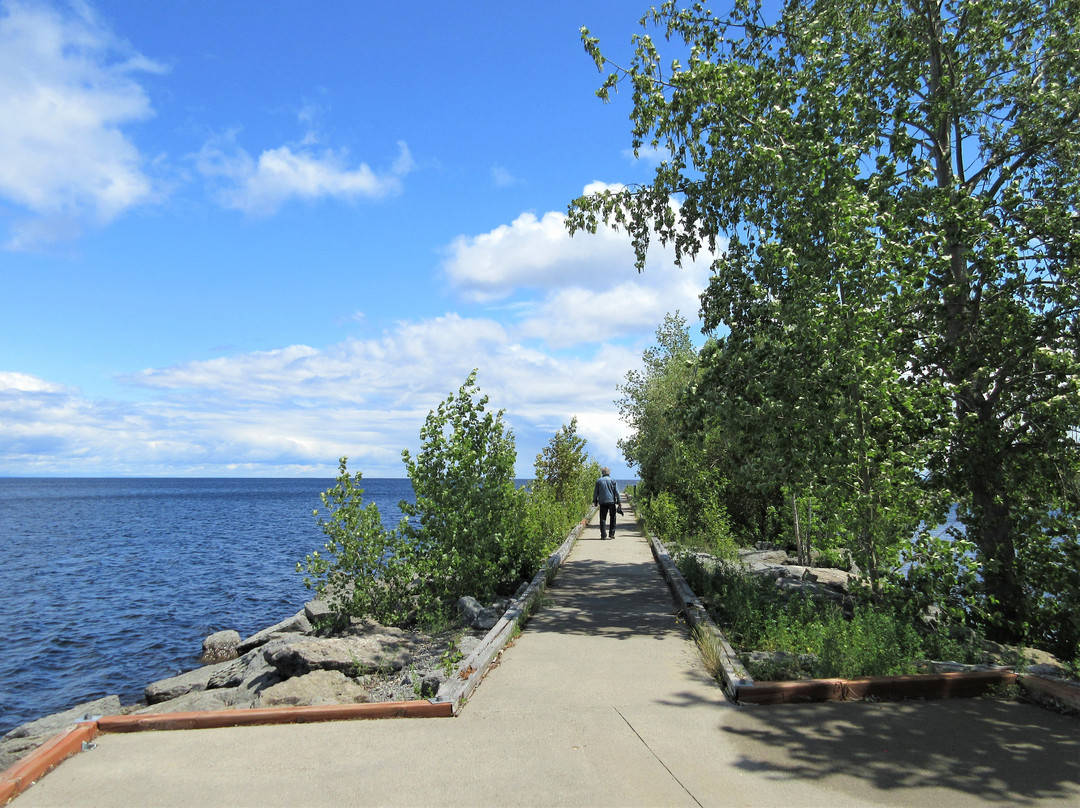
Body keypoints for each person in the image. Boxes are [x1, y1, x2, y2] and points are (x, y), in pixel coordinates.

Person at [593, 467, 619, 539]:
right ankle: (612, 534)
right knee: (613, 517)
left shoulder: (599, 481)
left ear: (602, 473)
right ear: (609, 472)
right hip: (611, 502)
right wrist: (619, 501)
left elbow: (596, 493)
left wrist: (595, 500)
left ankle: (603, 535)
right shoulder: (613, 481)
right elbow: (617, 492)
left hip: (602, 502)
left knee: (602, 518)